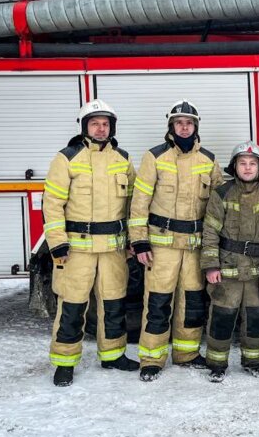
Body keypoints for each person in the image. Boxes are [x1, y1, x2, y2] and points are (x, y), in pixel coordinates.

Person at [44, 100, 139, 386]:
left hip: (113, 249)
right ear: (85, 126)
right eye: (95, 123)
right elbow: (52, 203)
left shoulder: (122, 158)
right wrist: (57, 242)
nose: (101, 128)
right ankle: (64, 363)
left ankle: (112, 355)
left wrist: (135, 239)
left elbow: (135, 205)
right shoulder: (67, 158)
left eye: (105, 123)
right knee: (72, 306)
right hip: (77, 250)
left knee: (114, 306)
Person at [128, 101, 223, 382]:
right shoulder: (154, 157)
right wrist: (140, 242)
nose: (184, 127)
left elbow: (218, 208)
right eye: (179, 122)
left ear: (196, 127)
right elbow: (139, 202)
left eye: (189, 123)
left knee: (193, 302)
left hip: (195, 246)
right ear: (171, 127)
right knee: (157, 302)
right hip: (162, 245)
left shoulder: (208, 159)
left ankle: (187, 354)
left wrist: (215, 246)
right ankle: (152, 359)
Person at [200, 141, 259, 381]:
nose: (247, 168)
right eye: (242, 163)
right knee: (221, 317)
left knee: (256, 319)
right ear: (234, 166)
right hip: (227, 268)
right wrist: (210, 266)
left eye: (252, 164)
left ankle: (253, 361)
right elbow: (209, 232)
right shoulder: (221, 194)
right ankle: (217, 364)